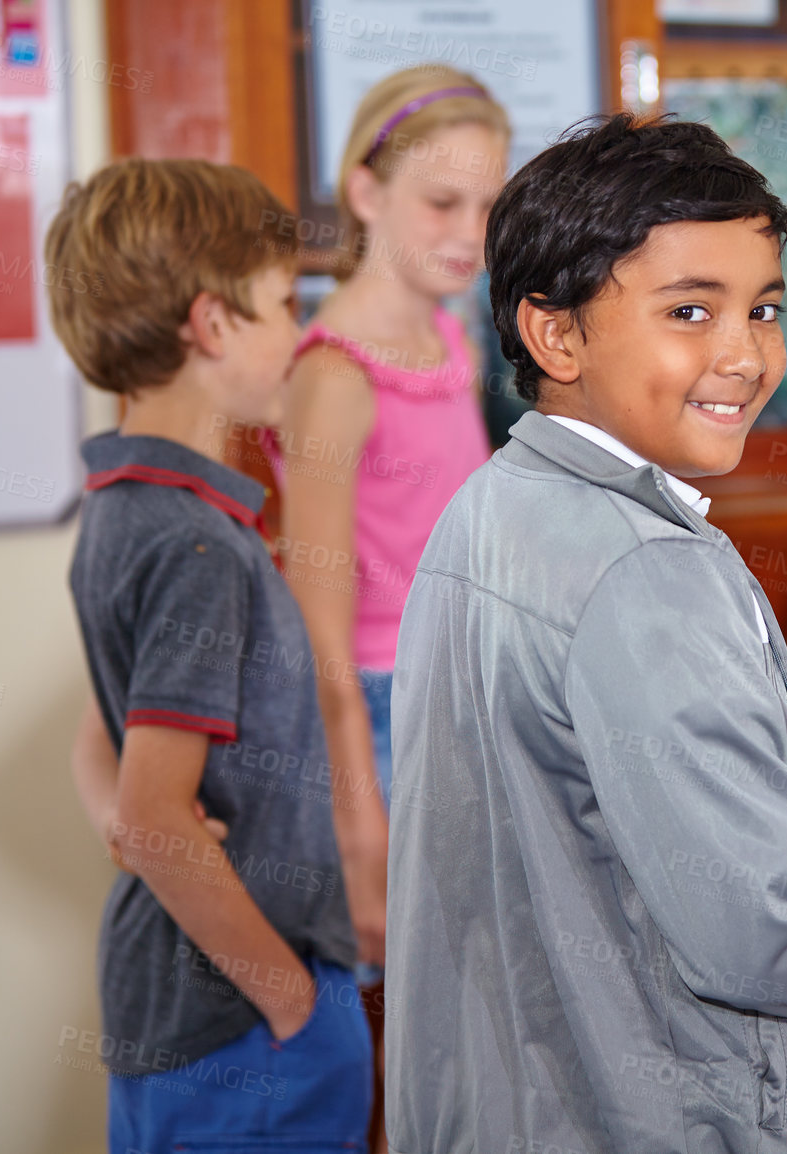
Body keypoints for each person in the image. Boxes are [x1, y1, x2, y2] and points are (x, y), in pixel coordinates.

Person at [385, 113, 787, 1153]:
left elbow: (595, 831)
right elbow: (762, 938)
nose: (744, 354)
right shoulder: (650, 565)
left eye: (764, 308)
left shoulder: (494, 503)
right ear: (556, 333)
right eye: (690, 310)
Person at [51, 158, 371, 1151]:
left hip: (178, 1013)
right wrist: (292, 1005)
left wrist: (128, 820)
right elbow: (156, 814)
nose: (300, 331)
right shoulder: (197, 544)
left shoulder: (122, 512)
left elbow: (96, 745)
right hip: (245, 1025)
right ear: (212, 323)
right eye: (283, 302)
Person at [274, 64, 507, 930]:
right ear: (366, 191)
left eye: (488, 209)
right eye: (443, 203)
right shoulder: (335, 373)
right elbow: (318, 625)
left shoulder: (451, 337)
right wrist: (357, 808)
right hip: (376, 704)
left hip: (461, 684)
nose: (471, 235)